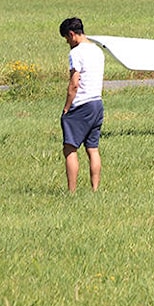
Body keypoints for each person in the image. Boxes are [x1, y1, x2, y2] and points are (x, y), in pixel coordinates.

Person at [59, 17, 105, 193]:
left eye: (67, 39)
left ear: (72, 34)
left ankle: (71, 192)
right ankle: (95, 189)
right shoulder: (97, 51)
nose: (68, 43)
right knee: (92, 149)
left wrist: (66, 108)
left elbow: (74, 84)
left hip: (80, 105)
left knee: (70, 148)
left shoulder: (76, 53)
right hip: (97, 103)